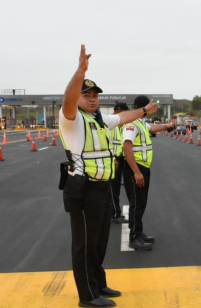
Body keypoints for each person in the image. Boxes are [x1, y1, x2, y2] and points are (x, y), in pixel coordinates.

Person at [59, 45, 159, 308]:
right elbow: (68, 99)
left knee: (100, 241)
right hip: (83, 190)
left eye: (94, 95)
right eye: (86, 94)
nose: (92, 99)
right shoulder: (71, 119)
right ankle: (87, 295)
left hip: (102, 190)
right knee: (84, 244)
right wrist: (80, 72)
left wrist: (145, 111)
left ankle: (98, 283)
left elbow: (123, 117)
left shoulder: (100, 119)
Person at [123, 95, 175, 251]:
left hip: (143, 167)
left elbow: (151, 128)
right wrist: (137, 172)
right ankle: (134, 238)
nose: (152, 110)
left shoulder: (140, 122)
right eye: (149, 107)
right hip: (136, 168)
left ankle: (138, 233)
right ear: (141, 107)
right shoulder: (131, 124)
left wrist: (166, 126)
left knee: (141, 202)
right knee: (137, 204)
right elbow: (127, 148)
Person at [110, 102, 129, 224]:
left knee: (122, 187)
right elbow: (106, 142)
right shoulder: (110, 124)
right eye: (120, 111)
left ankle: (116, 212)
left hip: (124, 158)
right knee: (114, 188)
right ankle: (114, 214)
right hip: (114, 159)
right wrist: (112, 158)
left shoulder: (126, 124)